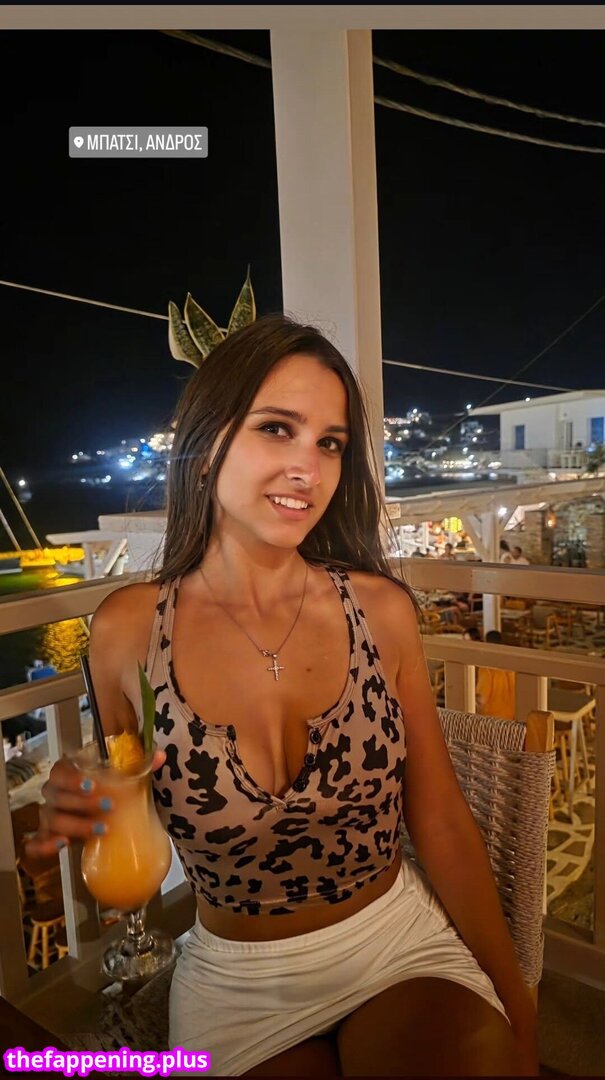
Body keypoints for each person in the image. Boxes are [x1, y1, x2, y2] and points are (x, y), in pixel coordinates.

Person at [27, 315, 537, 1076]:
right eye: (276, 429)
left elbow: (439, 820)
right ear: (206, 446)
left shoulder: (379, 611)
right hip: (236, 981)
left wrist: (517, 1002)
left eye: (329, 443)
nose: (309, 467)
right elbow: (128, 809)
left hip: (396, 946)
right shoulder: (128, 633)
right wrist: (85, 798)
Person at [476, 631, 516, 722]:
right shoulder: (511, 666)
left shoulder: (486, 667)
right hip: (511, 720)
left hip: (491, 721)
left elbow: (482, 699)